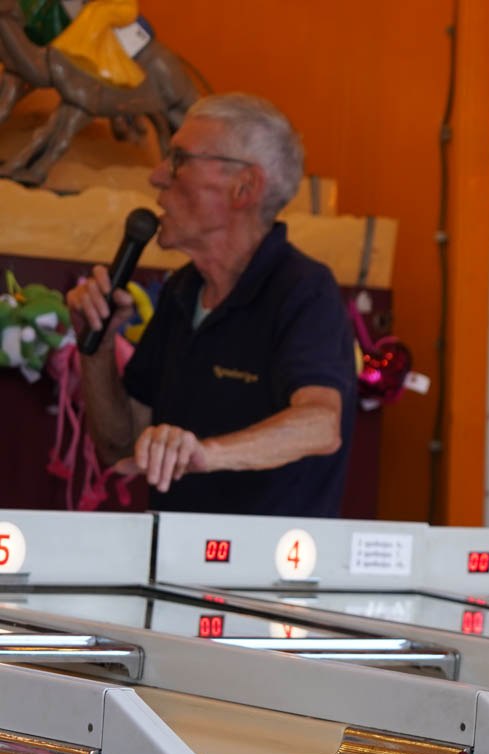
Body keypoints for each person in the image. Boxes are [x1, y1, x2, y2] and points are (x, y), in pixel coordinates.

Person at [64, 93, 357, 518]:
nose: (157, 176)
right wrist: (98, 348)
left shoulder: (304, 289)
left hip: (270, 559)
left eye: (179, 160)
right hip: (175, 555)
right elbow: (121, 446)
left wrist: (204, 453)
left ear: (244, 188)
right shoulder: (183, 290)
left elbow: (320, 425)